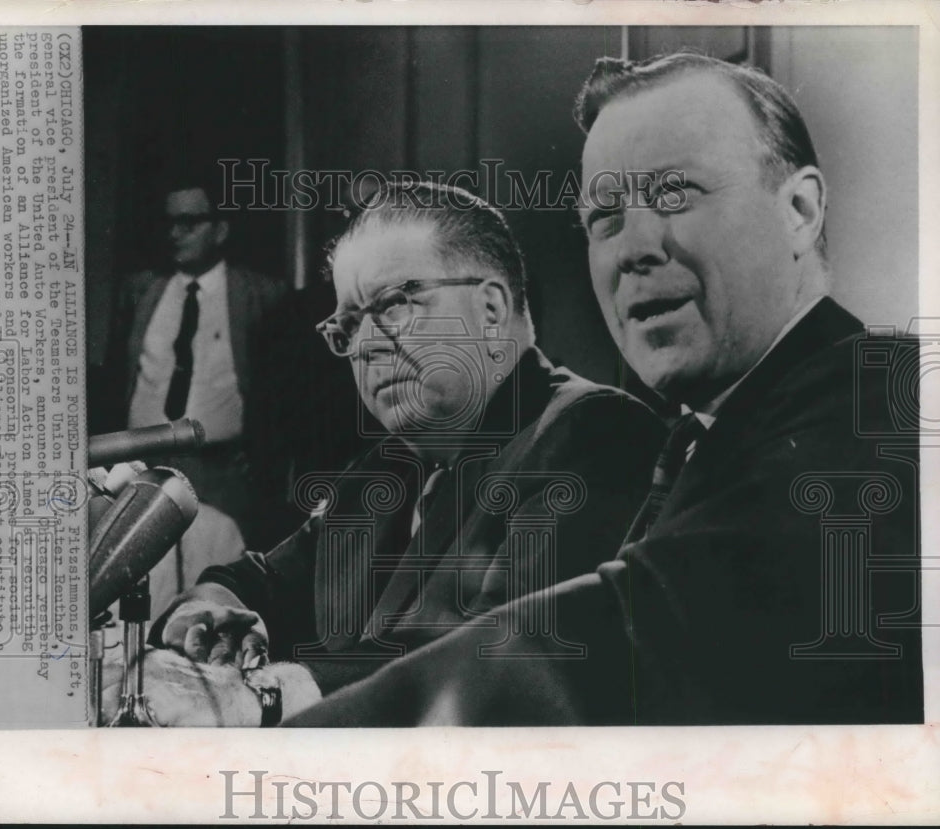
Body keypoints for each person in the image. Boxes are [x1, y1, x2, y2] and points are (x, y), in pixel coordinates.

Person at [284, 53, 923, 726]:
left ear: (799, 209)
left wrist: (279, 707)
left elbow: (619, 639)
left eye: (675, 193)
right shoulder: (710, 435)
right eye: (605, 217)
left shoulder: (878, 395)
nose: (633, 247)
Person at [149, 181, 664, 721]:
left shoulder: (596, 433)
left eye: (394, 305)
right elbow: (257, 579)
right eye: (348, 325)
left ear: (491, 309)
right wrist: (211, 611)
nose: (366, 344)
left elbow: (494, 653)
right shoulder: (383, 470)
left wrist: (265, 694)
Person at [101, 173, 291, 548]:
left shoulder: (260, 295)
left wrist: (263, 459)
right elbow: (116, 378)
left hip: (222, 474)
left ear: (220, 230)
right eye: (169, 223)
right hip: (143, 466)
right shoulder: (141, 291)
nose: (175, 234)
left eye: (188, 223)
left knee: (220, 572)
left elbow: (282, 390)